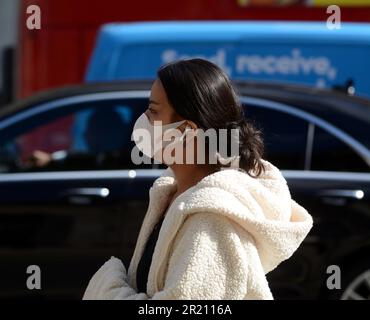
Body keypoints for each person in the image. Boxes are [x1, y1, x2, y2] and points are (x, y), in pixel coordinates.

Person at [82, 58, 313, 300]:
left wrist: (108, 289)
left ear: (185, 131)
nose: (144, 120)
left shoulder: (212, 220)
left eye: (153, 110)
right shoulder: (173, 192)